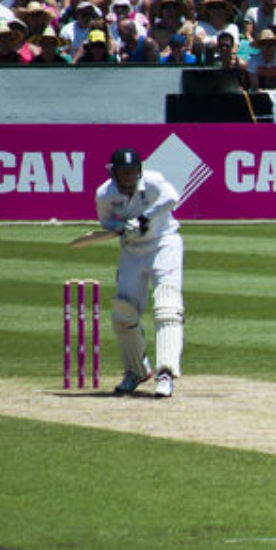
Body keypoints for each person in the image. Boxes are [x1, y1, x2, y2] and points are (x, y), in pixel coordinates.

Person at [94, 148, 185, 399]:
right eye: (124, 173)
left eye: (134, 171)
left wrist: (143, 219)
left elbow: (172, 197)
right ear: (114, 173)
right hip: (132, 251)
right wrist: (121, 227)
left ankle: (165, 373)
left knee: (167, 306)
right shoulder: (105, 194)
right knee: (123, 313)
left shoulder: (153, 181)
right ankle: (135, 370)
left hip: (163, 245)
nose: (130, 177)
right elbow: (106, 222)